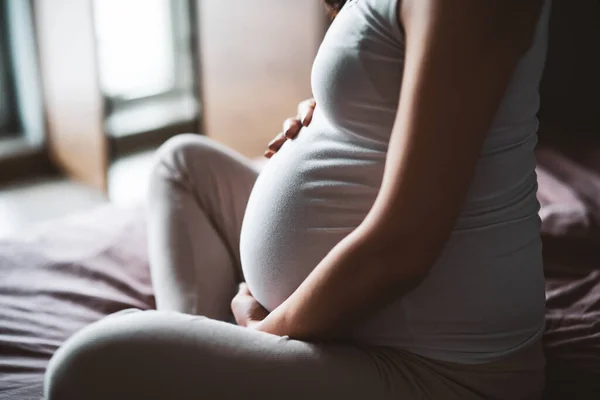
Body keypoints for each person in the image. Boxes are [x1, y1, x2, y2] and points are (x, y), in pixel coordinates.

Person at [44, 0, 551, 398]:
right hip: (357, 322)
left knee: (84, 365)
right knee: (183, 166)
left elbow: (403, 248)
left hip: (437, 369)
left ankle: (211, 360)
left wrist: (262, 333)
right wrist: (334, 111)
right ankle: (202, 357)